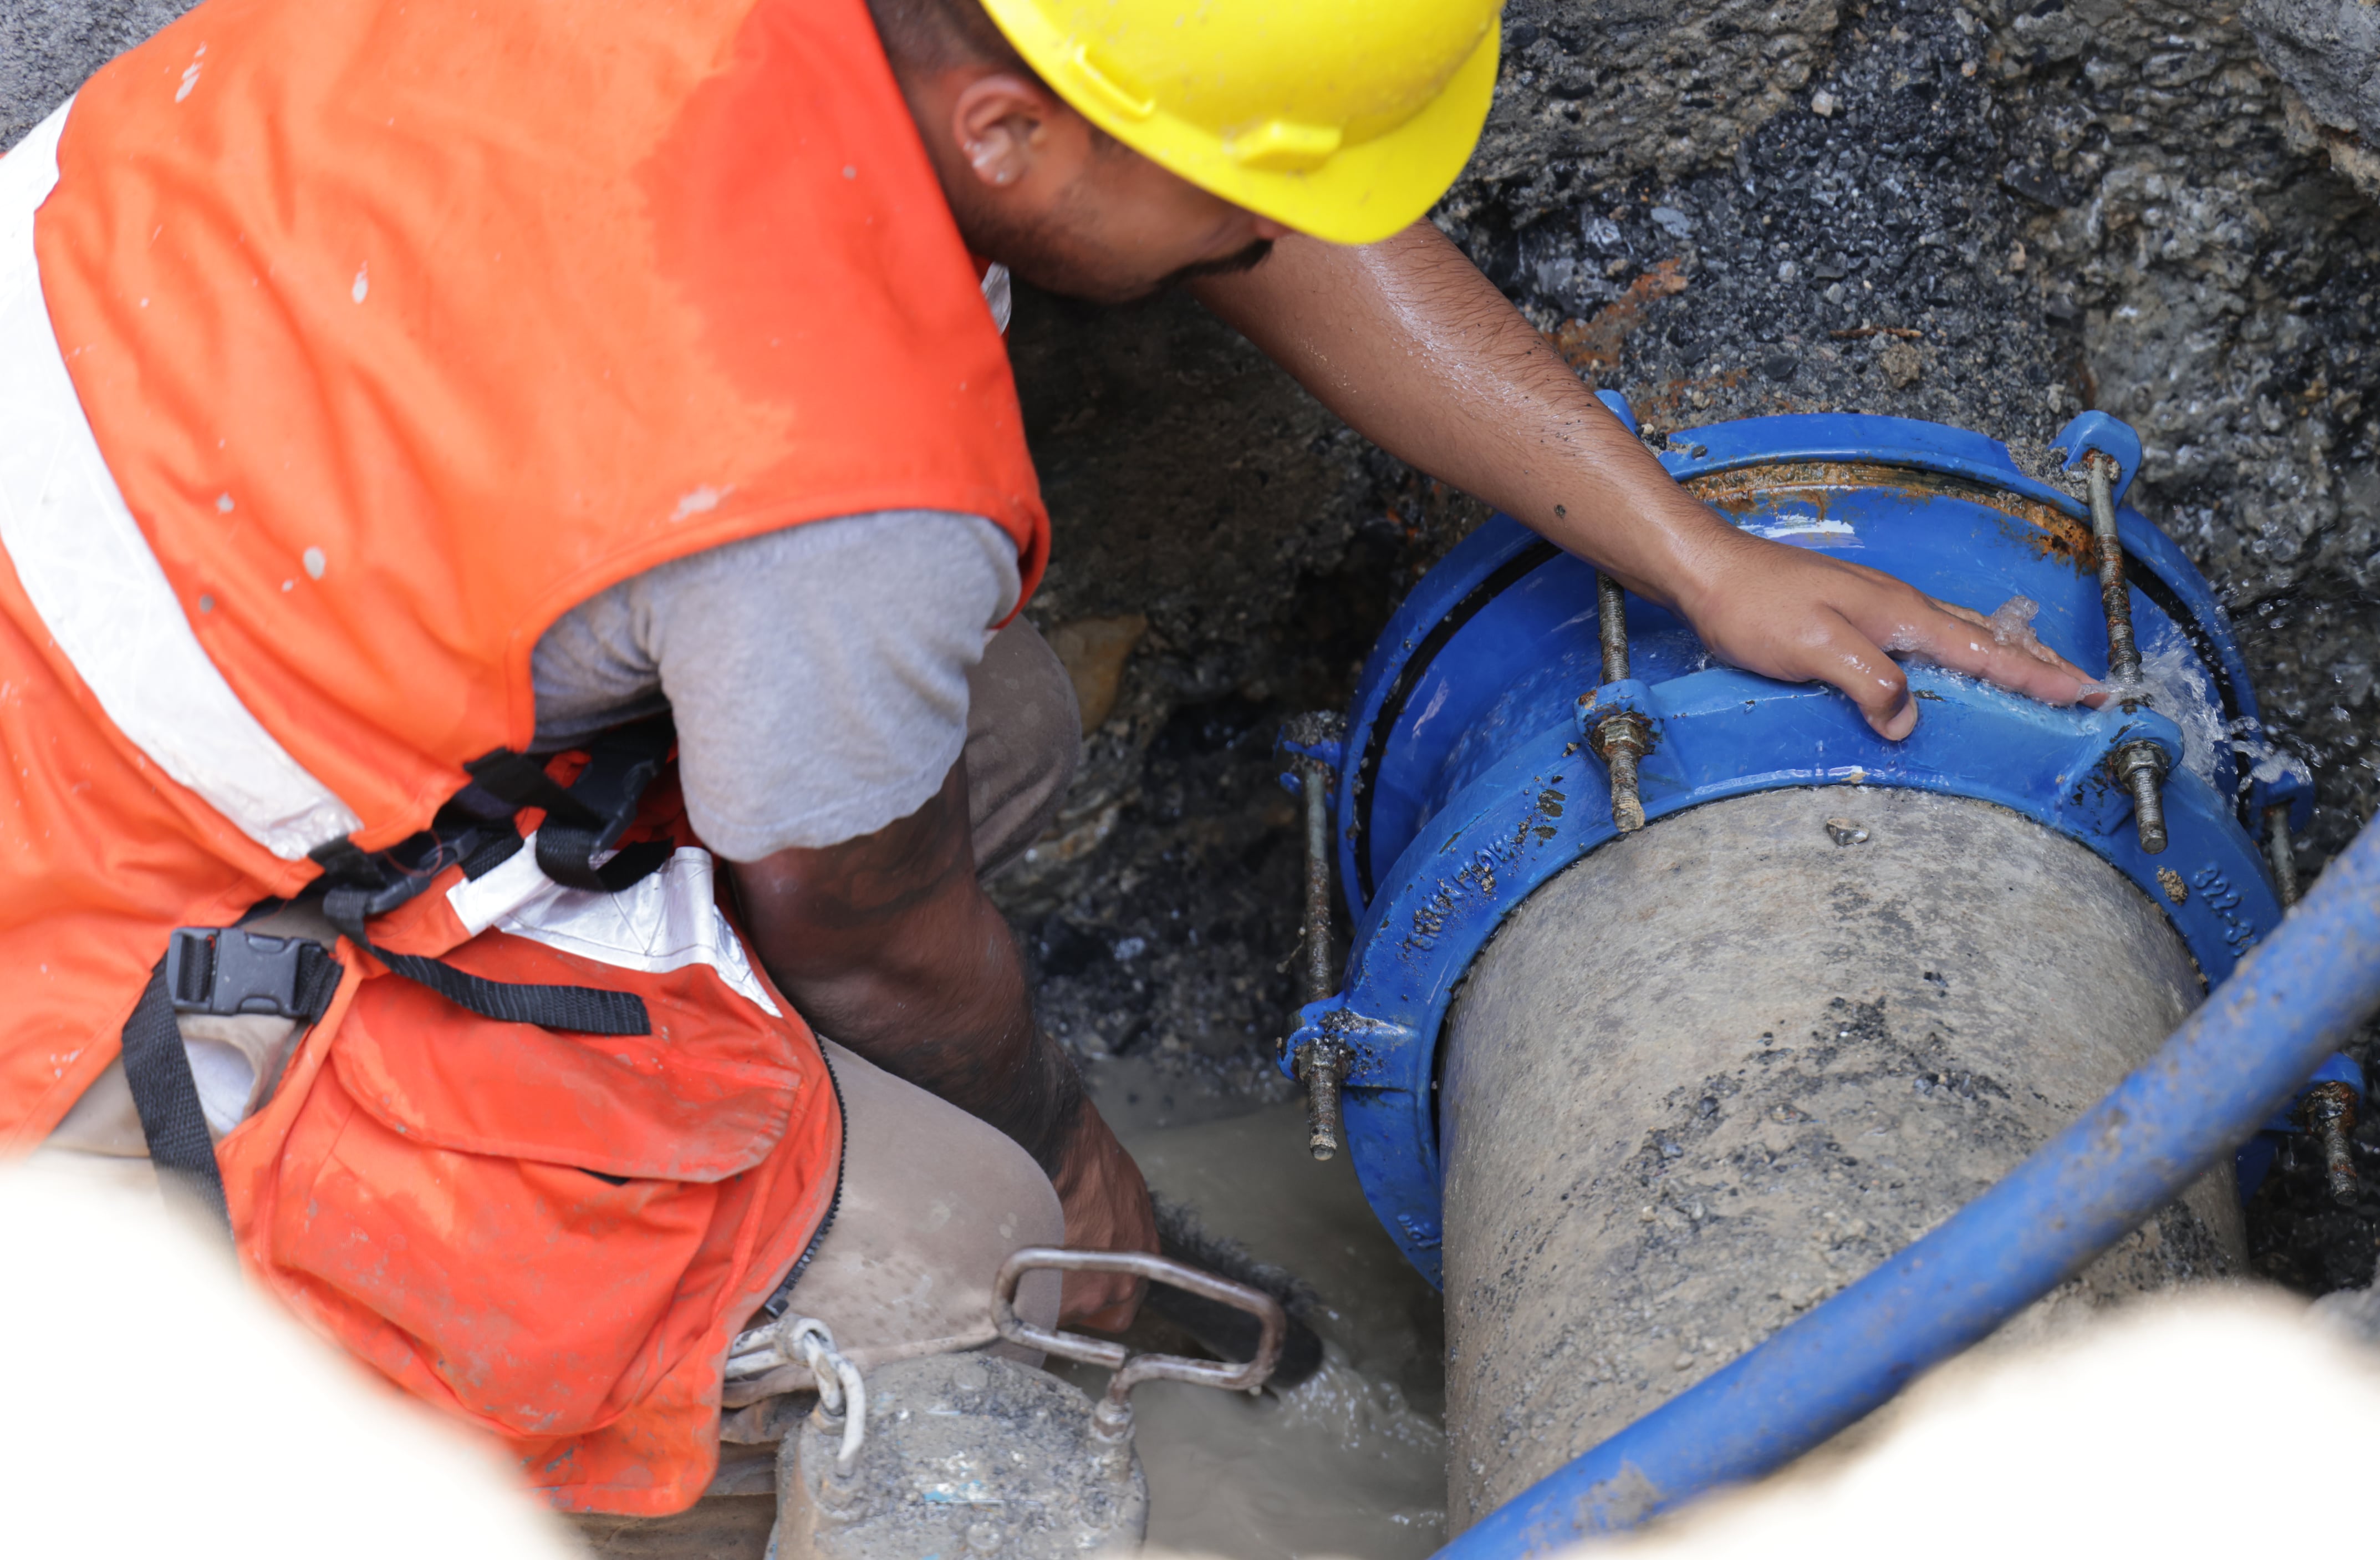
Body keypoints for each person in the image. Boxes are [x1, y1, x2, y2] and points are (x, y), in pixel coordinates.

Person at [0, 0, 2094, 1519]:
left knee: (973, 719)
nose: (1240, 253)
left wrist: (1695, 561)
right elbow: (890, 944)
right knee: (971, 1273)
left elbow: (1259, 205)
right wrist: (1082, 1180)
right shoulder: (821, 482)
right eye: (1221, 210)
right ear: (1011, 137)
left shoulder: (852, 80)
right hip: (91, 938)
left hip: (193, 578)